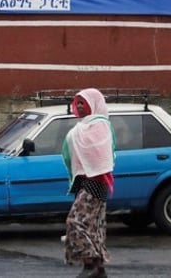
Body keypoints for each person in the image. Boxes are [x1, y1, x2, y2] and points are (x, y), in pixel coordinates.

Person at [62, 88, 116, 278]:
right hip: (85, 181)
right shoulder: (83, 126)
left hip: (96, 180)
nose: (80, 106)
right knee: (94, 224)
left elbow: (101, 153)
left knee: (76, 221)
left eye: (83, 102)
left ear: (93, 104)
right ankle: (99, 268)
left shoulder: (100, 125)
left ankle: (89, 264)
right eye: (78, 103)